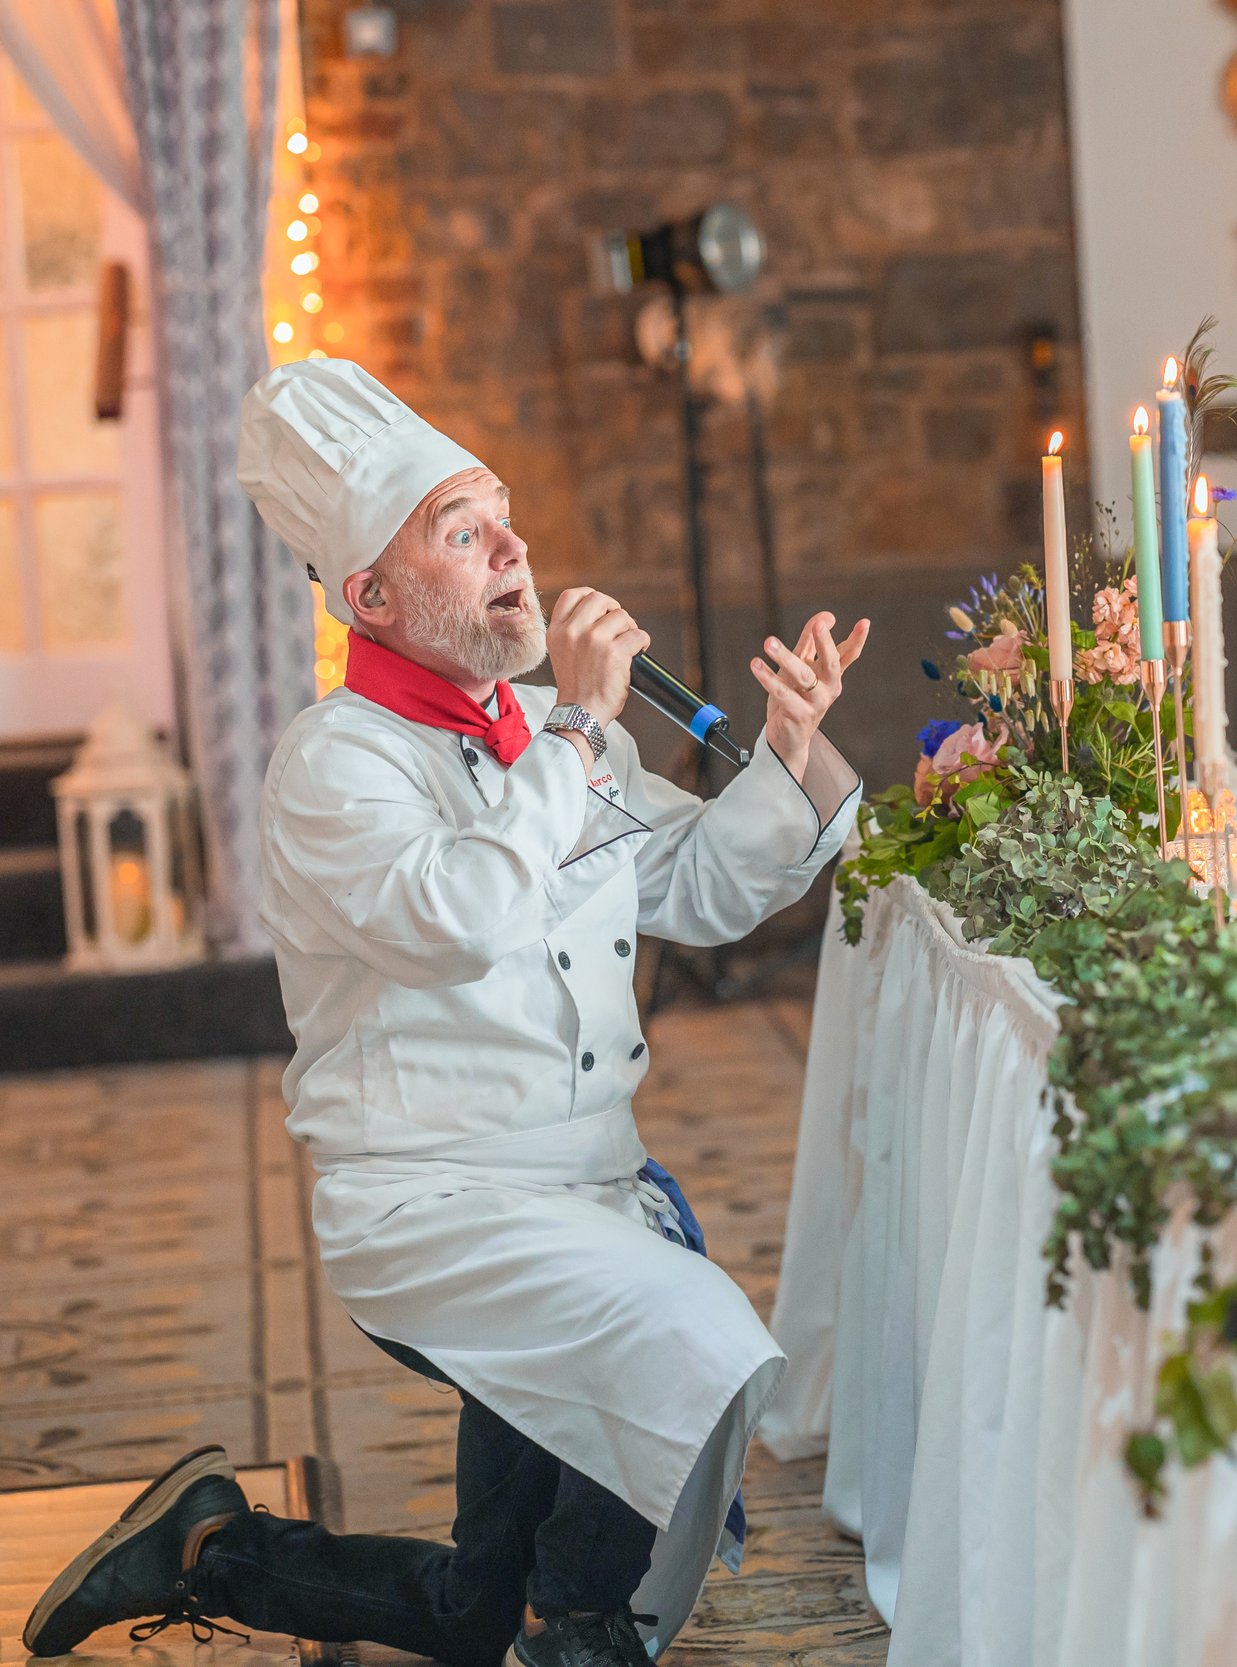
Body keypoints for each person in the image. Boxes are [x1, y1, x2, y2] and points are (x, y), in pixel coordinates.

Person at [20, 359, 869, 1667]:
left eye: (505, 515)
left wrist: (791, 745)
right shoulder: (333, 764)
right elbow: (457, 917)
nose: (512, 545)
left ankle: (208, 1547)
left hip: (584, 1196)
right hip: (438, 1212)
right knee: (690, 1332)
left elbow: (700, 885)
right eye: (460, 530)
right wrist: (581, 733)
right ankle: (580, 1637)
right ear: (373, 594)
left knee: (485, 1605)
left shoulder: (550, 731)